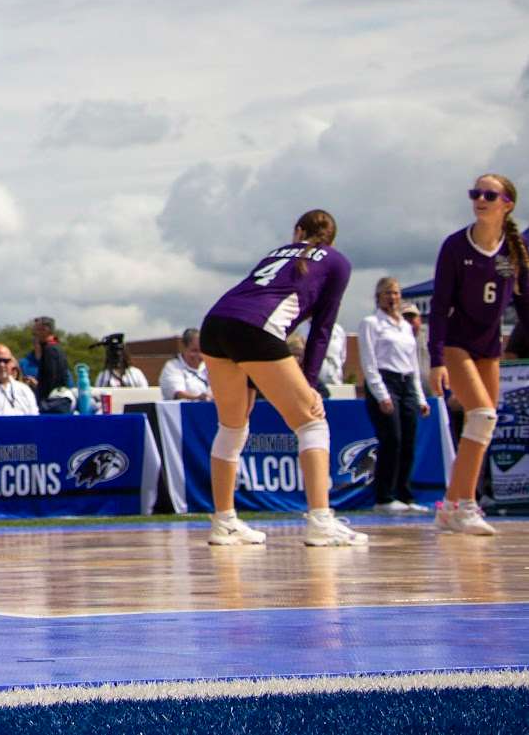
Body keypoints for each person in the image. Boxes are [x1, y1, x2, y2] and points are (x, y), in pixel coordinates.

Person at [197, 209, 362, 548]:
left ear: (297, 231)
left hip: (215, 323)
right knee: (312, 422)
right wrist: (310, 383)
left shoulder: (275, 253)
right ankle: (320, 521)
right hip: (254, 327)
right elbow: (322, 328)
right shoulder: (336, 260)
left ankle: (224, 522)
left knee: (231, 427)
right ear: (331, 238)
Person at [427, 174, 522, 537]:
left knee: (483, 422)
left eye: (489, 194)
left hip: (489, 346)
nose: (480, 199)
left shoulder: (514, 251)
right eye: (475, 193)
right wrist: (436, 360)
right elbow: (438, 308)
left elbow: (524, 304)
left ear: (506, 204)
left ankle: (452, 505)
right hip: (456, 342)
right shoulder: (455, 246)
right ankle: (462, 505)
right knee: (481, 415)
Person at [360, 277, 430, 515]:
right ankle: (384, 496)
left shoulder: (405, 327)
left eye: (396, 293)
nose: (393, 297)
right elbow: (369, 362)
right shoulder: (371, 323)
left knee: (409, 440)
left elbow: (414, 364)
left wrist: (420, 397)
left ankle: (404, 494)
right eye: (388, 293)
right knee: (392, 439)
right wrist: (381, 394)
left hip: (406, 382)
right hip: (384, 380)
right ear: (378, 296)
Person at [30, 317, 73, 412]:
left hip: (53, 402)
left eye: (37, 330)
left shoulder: (50, 350)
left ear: (46, 330)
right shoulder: (57, 348)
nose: (35, 334)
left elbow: (50, 378)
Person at [159, 329, 212, 401]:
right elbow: (179, 394)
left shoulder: (208, 367)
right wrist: (199, 398)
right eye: (194, 351)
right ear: (183, 347)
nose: (200, 356)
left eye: (202, 351)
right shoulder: (172, 367)